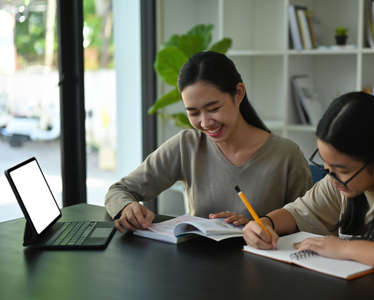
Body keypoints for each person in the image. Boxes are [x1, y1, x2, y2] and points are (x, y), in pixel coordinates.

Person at [243, 92, 374, 283]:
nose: (331, 177)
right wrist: (264, 223)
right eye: (326, 165)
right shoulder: (339, 185)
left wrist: (346, 249)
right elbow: (297, 213)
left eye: (341, 169)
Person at [105, 51, 312, 233]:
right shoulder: (187, 145)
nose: (205, 123)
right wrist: (127, 208)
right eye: (193, 113)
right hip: (197, 266)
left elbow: (309, 223)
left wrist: (259, 225)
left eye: (213, 109)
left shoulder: (286, 155)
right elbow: (119, 190)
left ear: (238, 93)